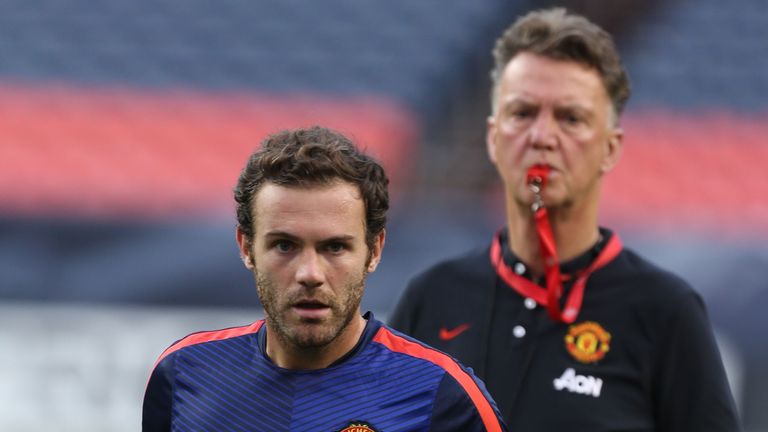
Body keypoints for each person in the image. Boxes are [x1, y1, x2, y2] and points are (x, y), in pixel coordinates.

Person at [389, 8, 741, 431]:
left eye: (571, 118)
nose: (543, 138)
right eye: (522, 114)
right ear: (493, 139)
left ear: (610, 148)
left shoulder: (664, 313)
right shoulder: (432, 298)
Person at [142, 126, 507, 431]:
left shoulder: (442, 396)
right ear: (246, 246)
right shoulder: (184, 376)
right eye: (284, 245)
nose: (310, 274)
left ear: (374, 250)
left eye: (334, 247)